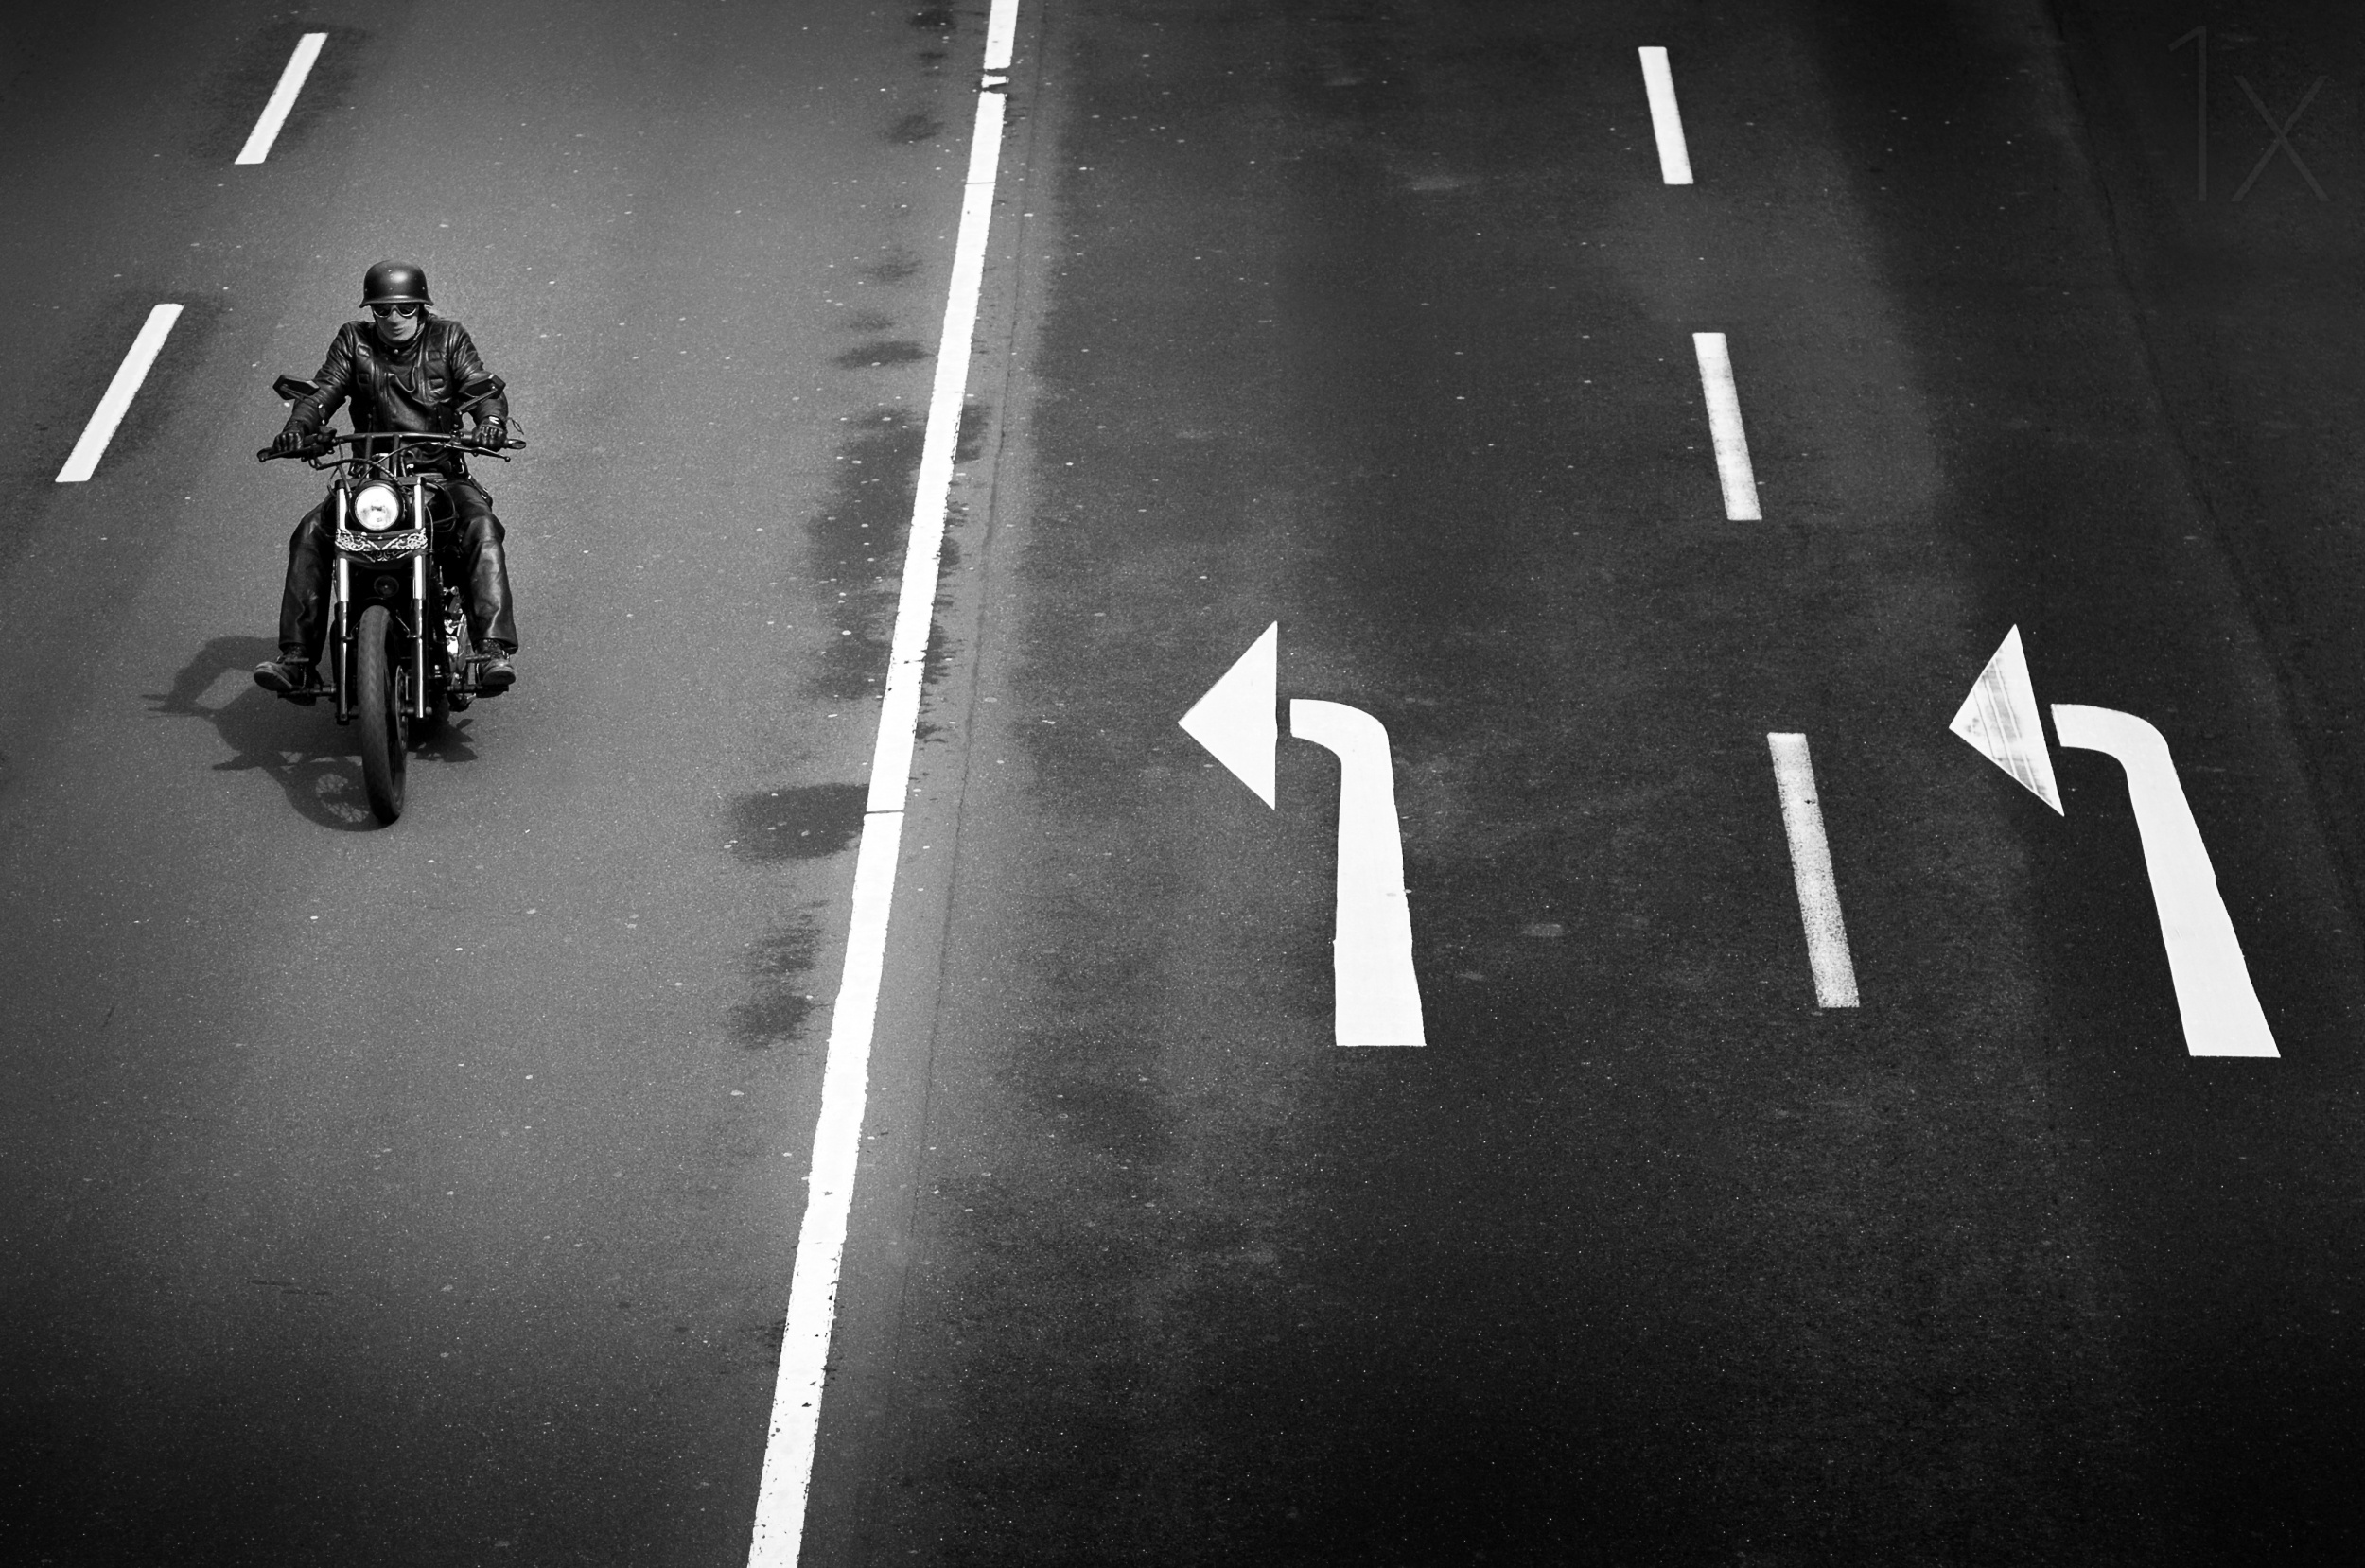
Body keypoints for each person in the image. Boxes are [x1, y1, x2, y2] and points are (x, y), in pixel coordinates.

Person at [254, 259, 518, 698]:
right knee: (311, 531)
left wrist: (490, 422)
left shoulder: (448, 337)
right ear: (371, 312)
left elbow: (481, 387)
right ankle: (297, 659)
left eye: (405, 308)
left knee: (481, 526)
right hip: (372, 478)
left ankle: (492, 649)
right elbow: (323, 391)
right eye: (382, 309)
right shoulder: (353, 340)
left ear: (421, 307)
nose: (393, 317)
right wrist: (298, 428)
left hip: (438, 474)